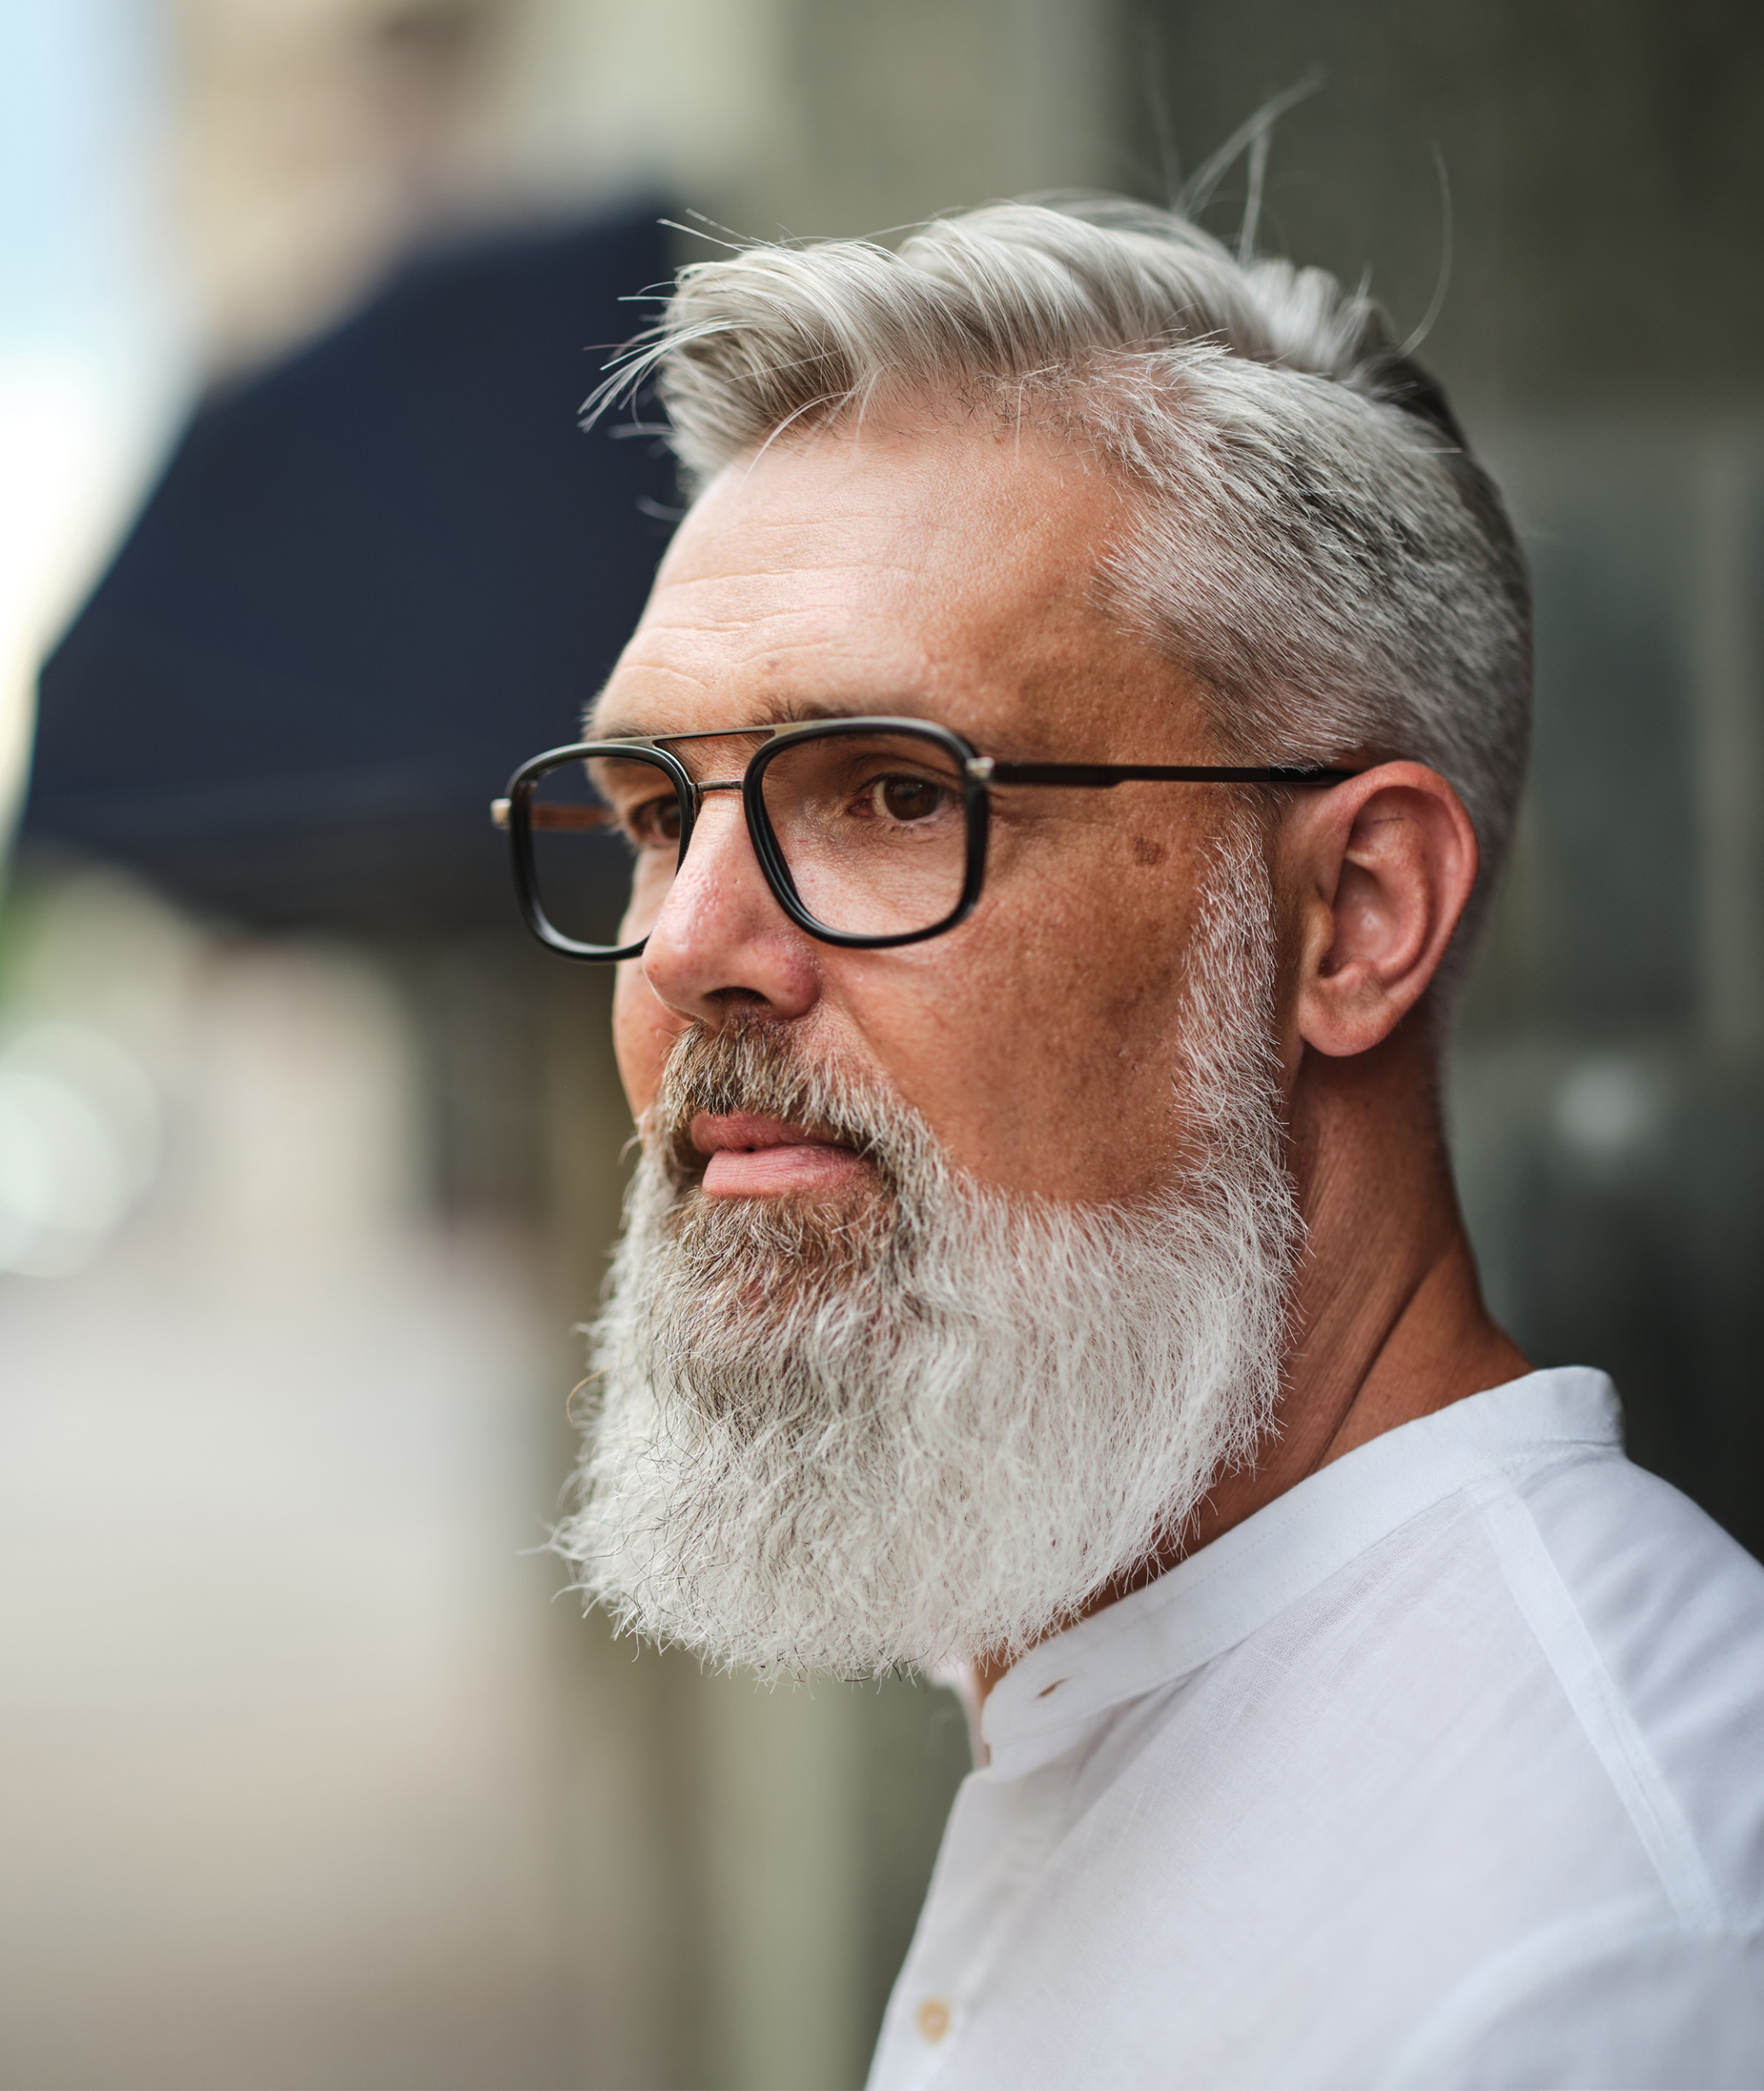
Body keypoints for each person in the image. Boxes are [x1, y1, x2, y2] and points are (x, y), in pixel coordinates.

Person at [509, 197, 1764, 2086]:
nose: (687, 949)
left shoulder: (1603, 1942)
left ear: (1351, 916)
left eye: (889, 793)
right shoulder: (1089, 1648)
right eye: (651, 814)